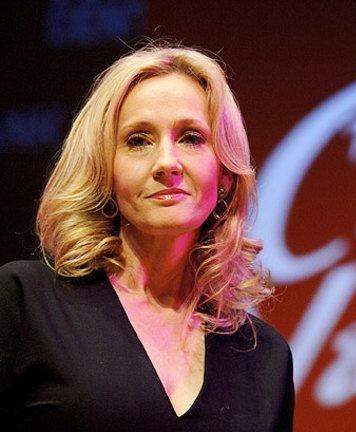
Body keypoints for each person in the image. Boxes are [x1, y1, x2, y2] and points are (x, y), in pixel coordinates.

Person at [0, 43, 294, 431]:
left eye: (191, 138)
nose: (166, 163)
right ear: (105, 171)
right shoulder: (26, 304)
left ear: (225, 174)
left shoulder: (264, 357)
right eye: (138, 140)